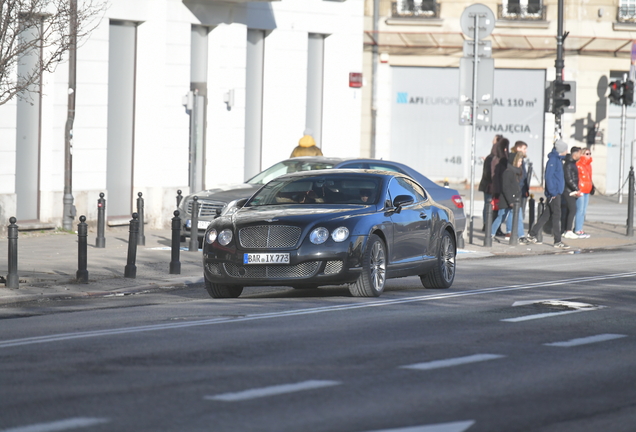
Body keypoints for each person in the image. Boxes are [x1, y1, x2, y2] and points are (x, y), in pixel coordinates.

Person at [526, 140, 570, 249]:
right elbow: (549, 177)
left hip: (556, 192)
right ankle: (557, 241)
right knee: (556, 216)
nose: (567, 151)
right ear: (561, 150)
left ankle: (532, 234)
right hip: (554, 193)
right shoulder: (553, 160)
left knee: (546, 215)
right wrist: (553, 192)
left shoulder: (558, 160)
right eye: (565, 149)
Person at [491, 151, 524, 242]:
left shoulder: (516, 172)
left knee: (519, 217)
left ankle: (521, 236)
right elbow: (506, 188)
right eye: (519, 161)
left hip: (515, 200)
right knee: (501, 217)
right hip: (507, 200)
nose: (521, 163)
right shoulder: (508, 172)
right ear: (514, 161)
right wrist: (510, 201)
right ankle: (491, 233)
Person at [505, 141, 529, 240]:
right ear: (518, 148)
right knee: (515, 211)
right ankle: (517, 233)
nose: (526, 151)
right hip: (516, 189)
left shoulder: (520, 158)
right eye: (524, 148)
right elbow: (517, 175)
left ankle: (511, 231)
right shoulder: (513, 158)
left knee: (514, 212)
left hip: (521, 188)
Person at [478, 135, 502, 230]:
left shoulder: (492, 157)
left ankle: (489, 225)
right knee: (488, 205)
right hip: (490, 186)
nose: (492, 141)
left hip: (491, 186)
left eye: (494, 139)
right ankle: (487, 225)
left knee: (491, 205)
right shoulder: (492, 158)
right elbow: (488, 173)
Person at [562, 146, 583, 239]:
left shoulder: (572, 163)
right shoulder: (569, 164)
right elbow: (569, 179)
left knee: (570, 210)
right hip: (569, 191)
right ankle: (568, 230)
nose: (580, 155)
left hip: (571, 190)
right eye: (579, 153)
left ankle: (566, 229)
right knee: (572, 209)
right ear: (575, 154)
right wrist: (576, 189)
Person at [490, 137, 510, 236]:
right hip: (499, 189)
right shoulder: (497, 159)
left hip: (501, 188)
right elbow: (495, 176)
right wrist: (497, 190)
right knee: (497, 211)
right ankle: (493, 230)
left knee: (500, 211)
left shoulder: (502, 158)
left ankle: (497, 229)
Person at [575, 148, 594, 238]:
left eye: (589, 153)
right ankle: (577, 230)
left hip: (587, 189)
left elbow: (589, 177)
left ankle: (580, 228)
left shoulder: (589, 165)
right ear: (582, 154)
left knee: (584, 211)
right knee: (580, 210)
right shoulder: (578, 164)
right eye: (587, 154)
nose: (589, 155)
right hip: (581, 189)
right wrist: (577, 188)